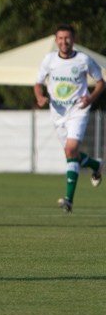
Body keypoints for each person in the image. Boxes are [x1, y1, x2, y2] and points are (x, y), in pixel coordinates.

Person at [34, 25, 105, 213]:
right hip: (57, 114)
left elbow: (101, 82)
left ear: (74, 39)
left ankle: (69, 200)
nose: (64, 41)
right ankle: (96, 165)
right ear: (56, 41)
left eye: (67, 38)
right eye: (60, 38)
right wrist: (40, 97)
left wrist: (90, 98)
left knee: (71, 149)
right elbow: (38, 83)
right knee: (70, 153)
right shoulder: (49, 59)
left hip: (78, 110)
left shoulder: (83, 59)